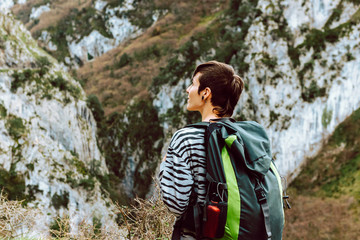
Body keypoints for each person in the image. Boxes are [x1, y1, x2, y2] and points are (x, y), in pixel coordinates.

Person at [158, 60, 244, 239]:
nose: (188, 90)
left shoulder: (186, 139)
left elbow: (175, 204)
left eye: (193, 84)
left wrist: (165, 165)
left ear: (205, 93)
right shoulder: (244, 138)